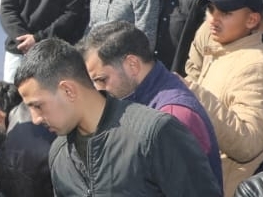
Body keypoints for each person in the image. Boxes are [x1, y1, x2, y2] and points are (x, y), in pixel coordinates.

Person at [15, 39, 227, 197]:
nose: (35, 119)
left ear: (68, 90)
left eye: (38, 105)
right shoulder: (59, 153)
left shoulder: (153, 134)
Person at [78, 21, 222, 185]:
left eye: (102, 80)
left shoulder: (174, 117)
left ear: (132, 65)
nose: (98, 89)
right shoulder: (133, 98)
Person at [187, 0, 263, 197]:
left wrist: (193, 95)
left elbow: (248, 144)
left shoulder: (256, 66)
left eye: (225, 12)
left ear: (252, 20)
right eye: (211, 10)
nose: (213, 19)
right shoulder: (222, 52)